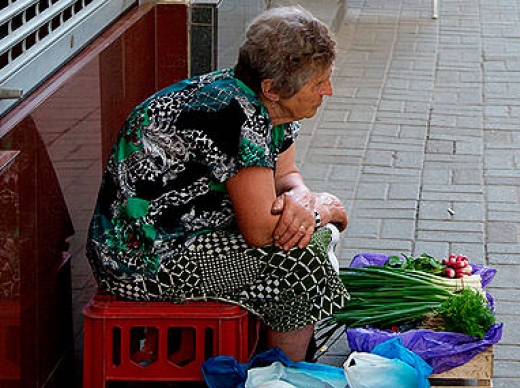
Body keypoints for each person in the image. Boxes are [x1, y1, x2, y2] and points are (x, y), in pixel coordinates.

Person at [86, 6, 348, 362]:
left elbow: (286, 176)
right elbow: (261, 231)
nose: (328, 90)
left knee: (311, 235)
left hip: (189, 233)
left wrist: (302, 199)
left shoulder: (267, 104)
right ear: (272, 89)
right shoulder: (234, 115)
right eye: (318, 84)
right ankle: (285, 378)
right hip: (142, 259)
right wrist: (324, 208)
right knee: (302, 259)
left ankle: (283, 368)